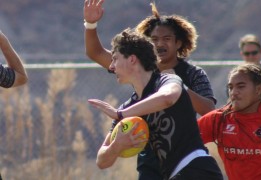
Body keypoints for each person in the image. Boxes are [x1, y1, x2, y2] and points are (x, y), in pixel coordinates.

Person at [83, 1, 217, 179]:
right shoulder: (138, 82)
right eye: (154, 40)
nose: (159, 44)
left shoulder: (181, 77)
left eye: (166, 39)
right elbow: (96, 53)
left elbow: (197, 106)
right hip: (152, 167)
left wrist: (180, 88)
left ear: (178, 43)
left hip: (187, 162)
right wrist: (90, 24)